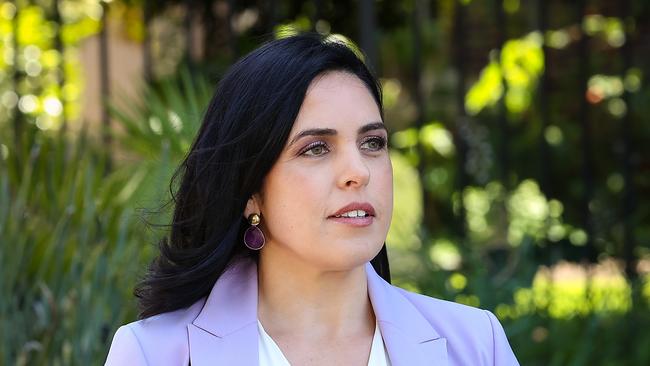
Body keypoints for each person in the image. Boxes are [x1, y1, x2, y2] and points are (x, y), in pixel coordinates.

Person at [105, 33, 519, 366]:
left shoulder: (476, 343)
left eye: (372, 142)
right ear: (250, 191)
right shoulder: (154, 353)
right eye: (316, 148)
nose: (359, 171)